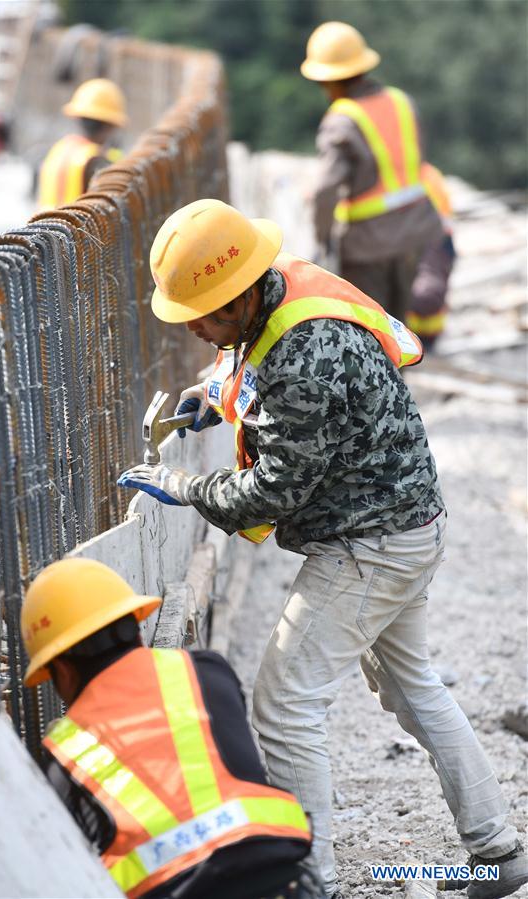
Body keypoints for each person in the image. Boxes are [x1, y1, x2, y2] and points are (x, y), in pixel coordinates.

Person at [118, 199, 528, 899]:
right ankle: (497, 851)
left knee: (283, 702)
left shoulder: (304, 355)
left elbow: (272, 491)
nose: (193, 328)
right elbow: (251, 363)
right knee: (411, 687)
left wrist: (183, 486)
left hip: (371, 543)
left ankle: (312, 880)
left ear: (241, 291)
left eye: (205, 316)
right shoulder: (277, 290)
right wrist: (213, 395)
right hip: (404, 522)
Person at [20, 556, 316, 899]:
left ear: (63, 672)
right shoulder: (207, 672)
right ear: (135, 623)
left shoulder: (64, 756)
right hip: (278, 875)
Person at [301, 21, 443, 323]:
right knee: (399, 327)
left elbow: (325, 191)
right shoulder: (402, 101)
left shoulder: (341, 121)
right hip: (416, 231)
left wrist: (321, 241)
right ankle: (399, 371)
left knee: (371, 331)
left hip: (368, 246)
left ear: (329, 81)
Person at [37, 78, 127, 209]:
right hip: (79, 228)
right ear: (109, 126)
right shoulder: (97, 161)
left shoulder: (58, 149)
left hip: (45, 226)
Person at [407, 163, 457, 350]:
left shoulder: (414, 176)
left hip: (429, 238)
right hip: (440, 238)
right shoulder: (431, 174)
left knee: (426, 290)